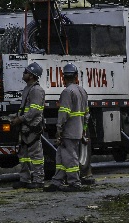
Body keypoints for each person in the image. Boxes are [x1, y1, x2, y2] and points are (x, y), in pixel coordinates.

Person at [46, 62, 87, 191]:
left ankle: (75, 183)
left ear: (63, 77)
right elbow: (87, 114)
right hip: (78, 130)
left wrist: (59, 130)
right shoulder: (82, 91)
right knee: (61, 156)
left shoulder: (67, 92)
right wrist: (84, 130)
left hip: (69, 131)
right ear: (76, 76)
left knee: (70, 157)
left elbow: (63, 113)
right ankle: (57, 182)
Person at [11, 62, 46, 188]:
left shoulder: (36, 90)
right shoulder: (28, 89)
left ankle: (38, 180)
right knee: (24, 156)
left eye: (26, 72)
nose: (23, 74)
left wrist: (20, 119)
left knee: (36, 155)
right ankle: (24, 179)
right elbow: (25, 108)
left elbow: (34, 111)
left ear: (31, 75)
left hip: (32, 128)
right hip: (25, 127)